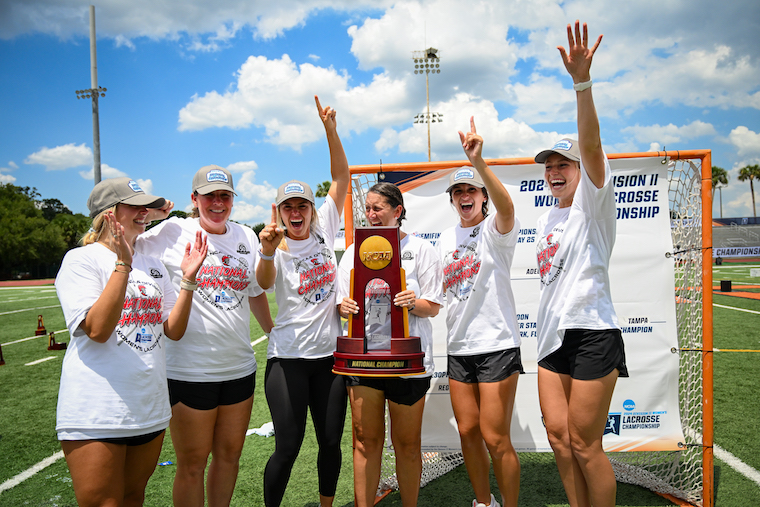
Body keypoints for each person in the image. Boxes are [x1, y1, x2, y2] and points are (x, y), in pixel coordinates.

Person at [55, 177, 207, 507]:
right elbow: (97, 329)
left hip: (148, 407)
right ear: (109, 213)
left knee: (132, 498)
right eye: (135, 206)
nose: (144, 213)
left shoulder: (152, 264)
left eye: (146, 207)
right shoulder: (82, 260)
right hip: (98, 411)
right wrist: (123, 264)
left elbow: (173, 329)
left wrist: (188, 280)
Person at [135, 165, 274, 507]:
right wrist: (151, 212)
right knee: (193, 464)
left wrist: (274, 331)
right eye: (209, 196)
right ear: (194, 199)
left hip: (239, 368)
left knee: (229, 457)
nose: (217, 203)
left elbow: (256, 290)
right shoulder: (171, 231)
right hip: (188, 370)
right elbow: (125, 242)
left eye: (224, 196)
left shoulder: (245, 236)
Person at [533, 21, 628, 507]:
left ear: (579, 172)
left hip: (592, 333)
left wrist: (582, 85)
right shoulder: (548, 215)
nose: (554, 172)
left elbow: (590, 147)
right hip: (551, 338)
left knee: (587, 445)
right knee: (558, 439)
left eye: (562, 165)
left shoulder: (594, 203)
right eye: (548, 166)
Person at [255, 95, 349, 507]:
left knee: (330, 442)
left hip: (330, 359)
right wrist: (266, 251)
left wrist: (330, 130)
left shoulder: (325, 228)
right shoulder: (272, 243)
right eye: (288, 206)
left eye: (303, 205)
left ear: (312, 209)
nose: (297, 212)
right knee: (288, 447)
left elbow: (342, 177)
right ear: (279, 211)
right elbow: (261, 283)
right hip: (288, 359)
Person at [337, 182, 443, 507]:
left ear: (397, 211)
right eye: (367, 208)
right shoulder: (353, 252)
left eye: (377, 208)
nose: (370, 215)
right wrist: (343, 308)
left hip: (408, 364)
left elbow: (433, 306)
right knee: (365, 443)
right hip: (364, 363)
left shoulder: (422, 250)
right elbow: (342, 306)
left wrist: (413, 302)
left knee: (408, 446)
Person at [438, 117, 523, 507]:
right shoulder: (443, 239)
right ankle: (483, 502)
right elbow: (437, 296)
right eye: (458, 191)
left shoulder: (495, 228)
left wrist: (480, 163)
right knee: (468, 432)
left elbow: (506, 206)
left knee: (495, 436)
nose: (465, 196)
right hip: (458, 347)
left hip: (496, 344)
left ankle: (509, 504)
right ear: (452, 199)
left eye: (472, 189)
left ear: (483, 195)